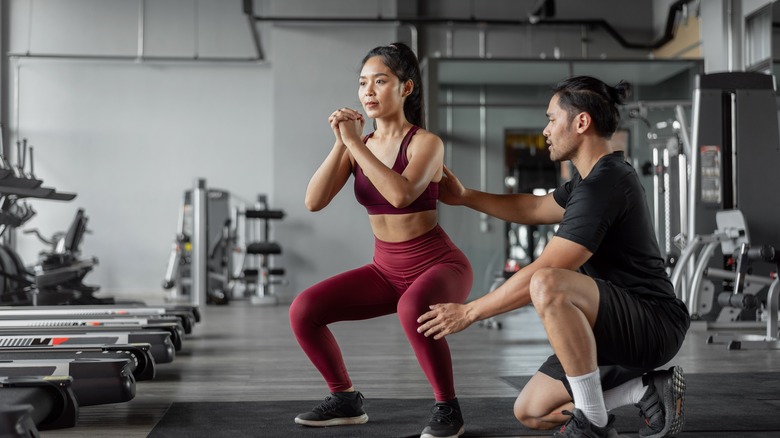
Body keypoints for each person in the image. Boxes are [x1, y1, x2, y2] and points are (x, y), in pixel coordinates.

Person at [416, 76, 691, 438]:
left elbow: (547, 269)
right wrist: (466, 196)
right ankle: (643, 390)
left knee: (547, 282)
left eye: (551, 118)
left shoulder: (605, 185)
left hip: (652, 324)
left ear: (581, 122)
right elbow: (532, 206)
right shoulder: (585, 182)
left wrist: (469, 311)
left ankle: (593, 421)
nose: (545, 130)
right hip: (607, 323)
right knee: (531, 411)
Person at [289, 42, 473, 438]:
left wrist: (355, 143)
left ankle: (448, 408)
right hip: (385, 270)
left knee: (413, 308)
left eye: (380, 81)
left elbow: (401, 195)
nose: (368, 91)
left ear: (405, 88)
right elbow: (313, 200)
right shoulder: (360, 146)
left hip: (439, 266)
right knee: (304, 309)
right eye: (362, 83)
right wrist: (343, 142)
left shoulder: (426, 144)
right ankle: (345, 399)